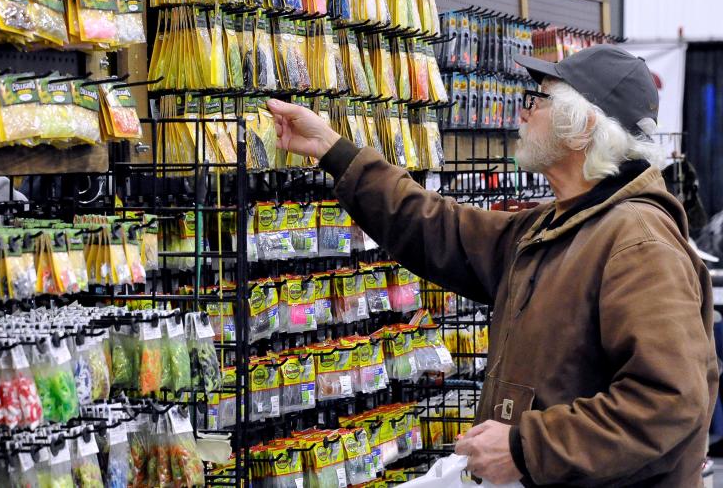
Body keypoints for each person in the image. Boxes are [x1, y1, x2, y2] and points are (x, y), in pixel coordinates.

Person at [266, 44, 718, 487]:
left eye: (536, 101)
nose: (522, 113)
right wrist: (332, 149)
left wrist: (525, 448)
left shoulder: (637, 243)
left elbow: (668, 402)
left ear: (582, 129)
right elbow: (439, 228)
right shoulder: (561, 226)